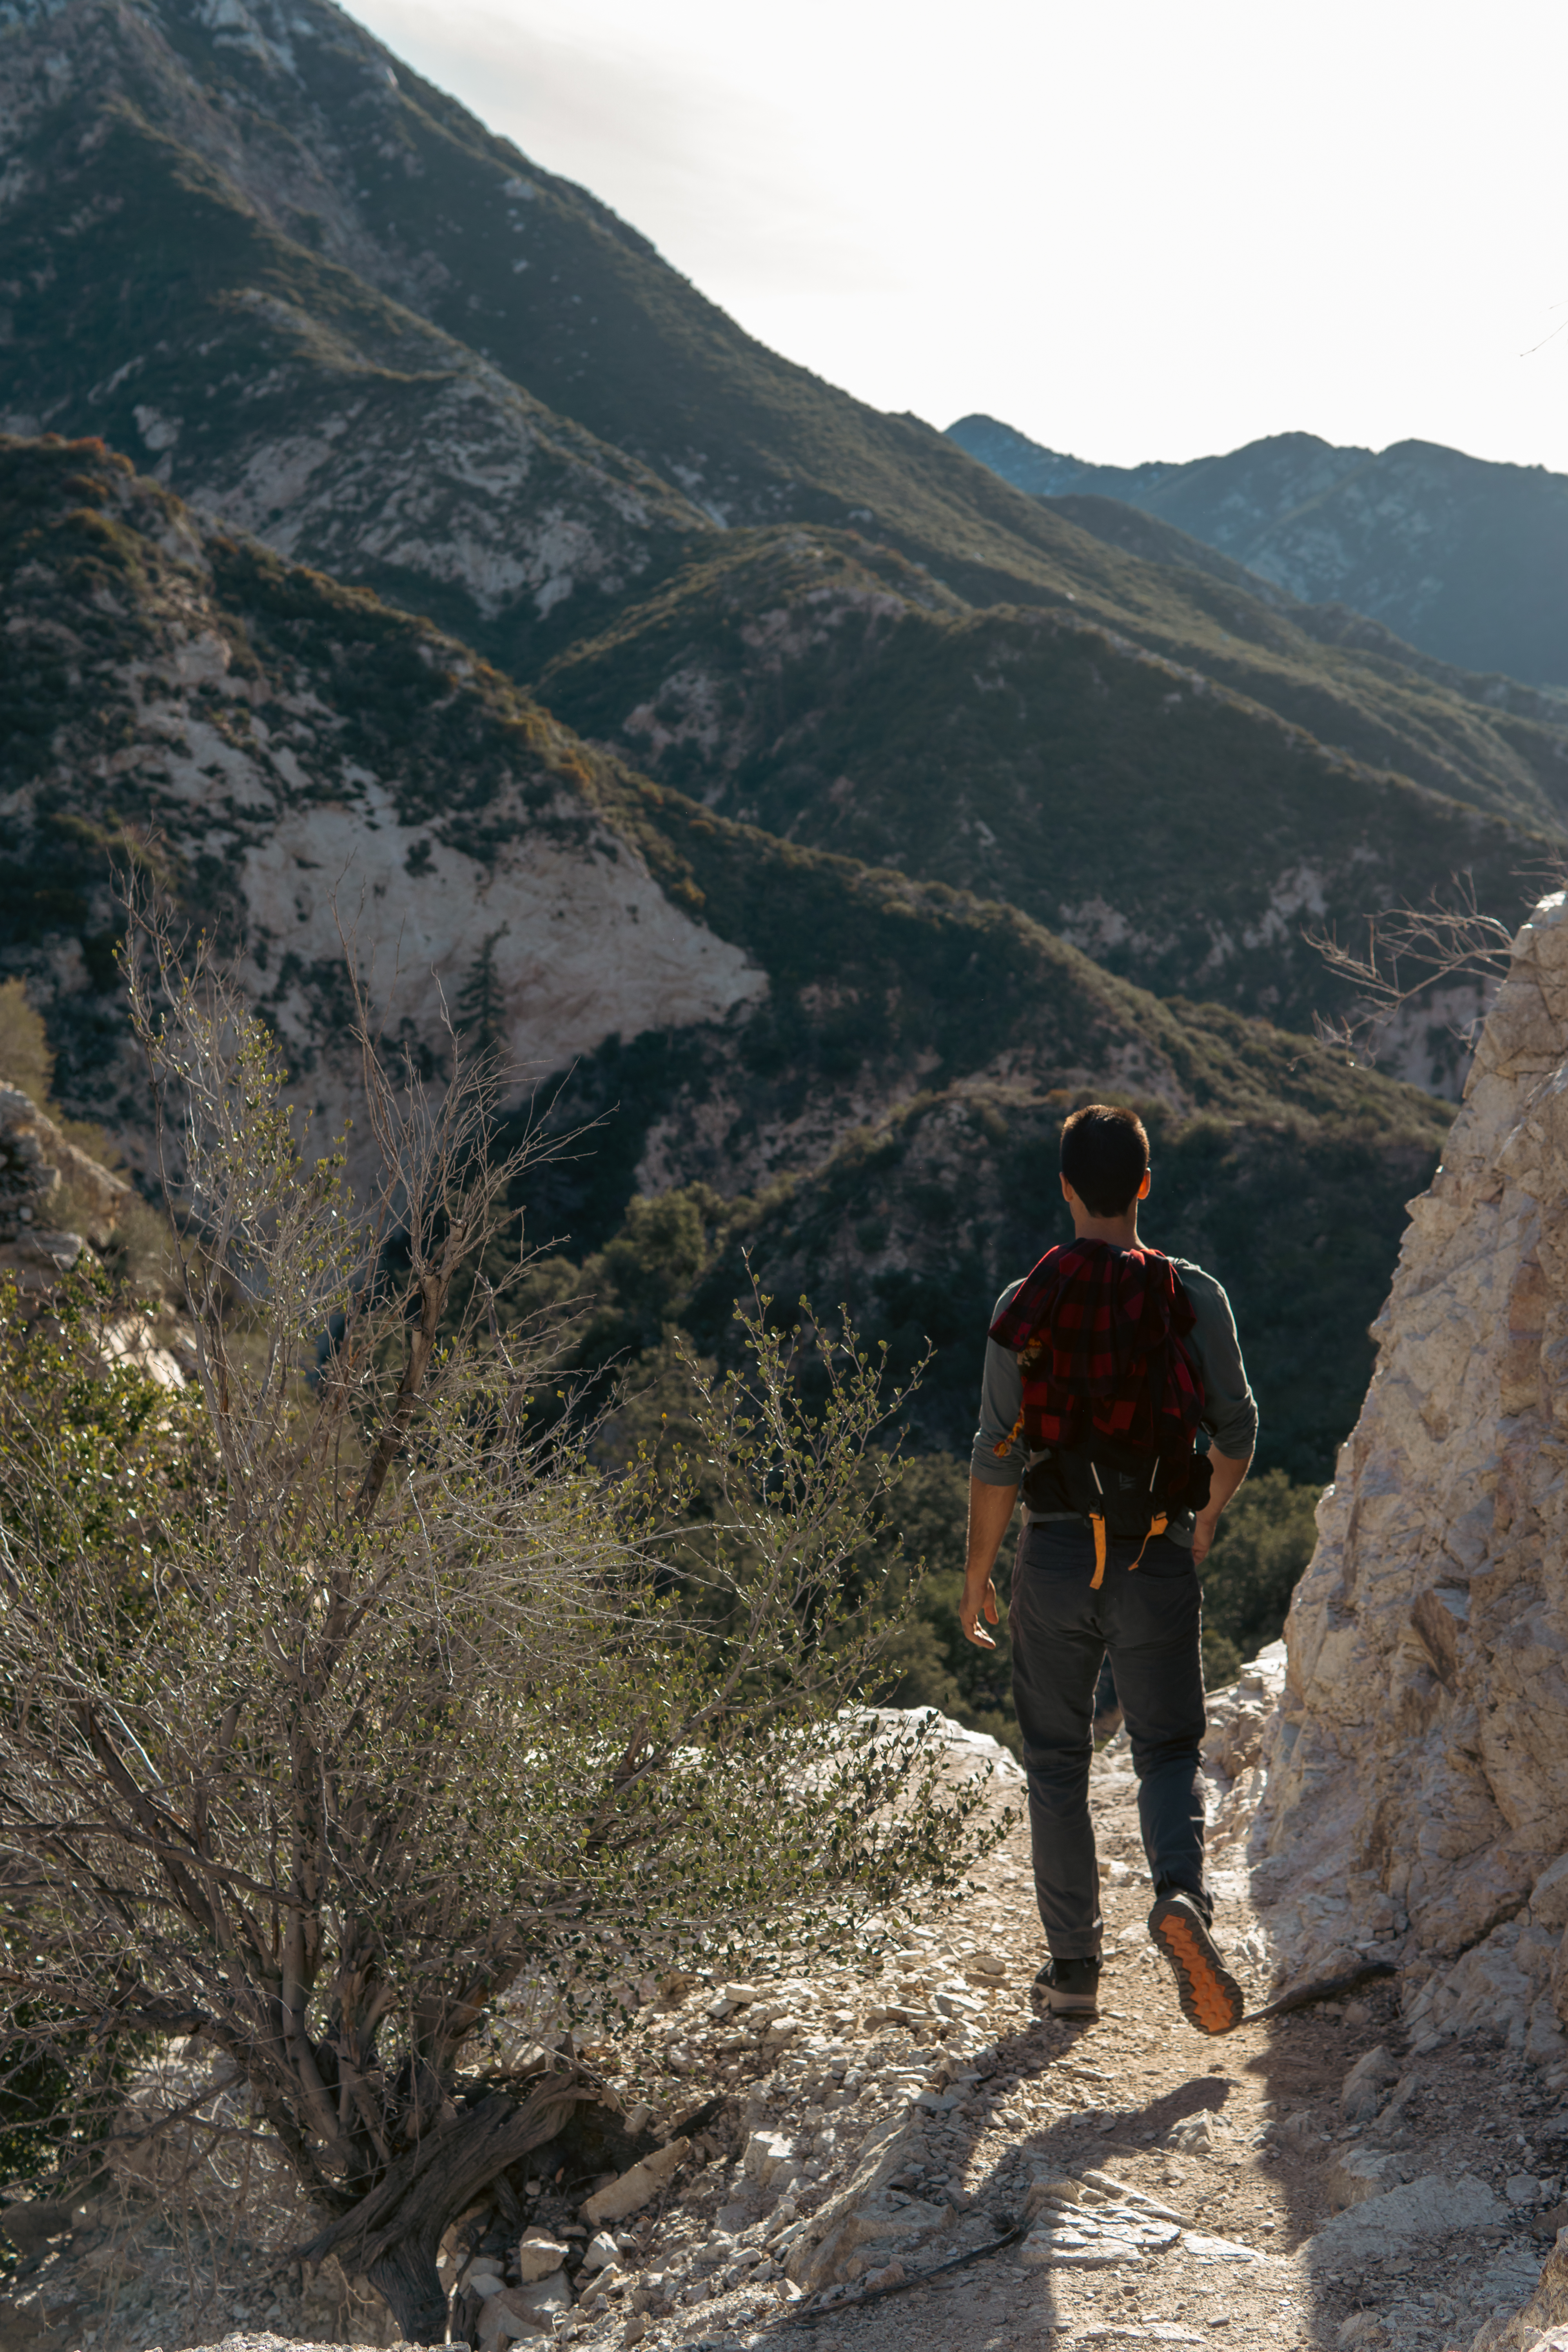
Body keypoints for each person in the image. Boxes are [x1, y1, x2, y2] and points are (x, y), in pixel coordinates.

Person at [959, 1103, 1256, 2033]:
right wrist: (1199, 1522)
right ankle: (1179, 1898)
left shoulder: (1024, 1303)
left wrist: (976, 1577)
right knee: (1165, 1749)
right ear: (1144, 1183)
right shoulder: (1190, 1293)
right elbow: (1238, 1431)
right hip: (1154, 1550)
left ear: (1063, 1187)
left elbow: (994, 1454)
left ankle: (1073, 1971)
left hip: (1051, 1558)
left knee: (1055, 1762)